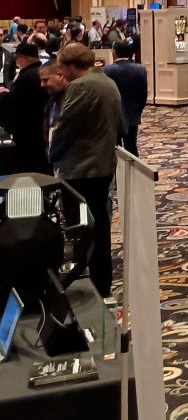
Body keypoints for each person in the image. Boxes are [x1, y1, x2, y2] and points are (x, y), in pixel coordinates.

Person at [49, 44, 122, 297]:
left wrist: (51, 157)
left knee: (84, 230)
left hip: (82, 169)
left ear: (71, 66)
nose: (60, 72)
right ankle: (99, 282)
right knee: (99, 227)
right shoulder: (107, 81)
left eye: (62, 67)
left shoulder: (81, 87)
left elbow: (67, 128)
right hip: (101, 165)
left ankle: (92, 283)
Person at [0, 42, 49, 173]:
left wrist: (4, 94)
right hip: (37, 125)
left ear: (24, 58)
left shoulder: (28, 76)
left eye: (17, 58)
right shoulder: (39, 70)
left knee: (30, 163)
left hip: (28, 128)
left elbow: (16, 101)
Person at [102, 41, 148, 157]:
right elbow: (143, 94)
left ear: (114, 53)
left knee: (115, 147)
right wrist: (139, 110)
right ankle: (133, 173)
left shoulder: (107, 70)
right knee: (132, 146)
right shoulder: (140, 69)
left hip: (113, 114)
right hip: (133, 112)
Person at [40, 60, 67, 153]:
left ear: (60, 75)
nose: (42, 85)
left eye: (45, 80)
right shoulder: (52, 100)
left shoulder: (73, 99)